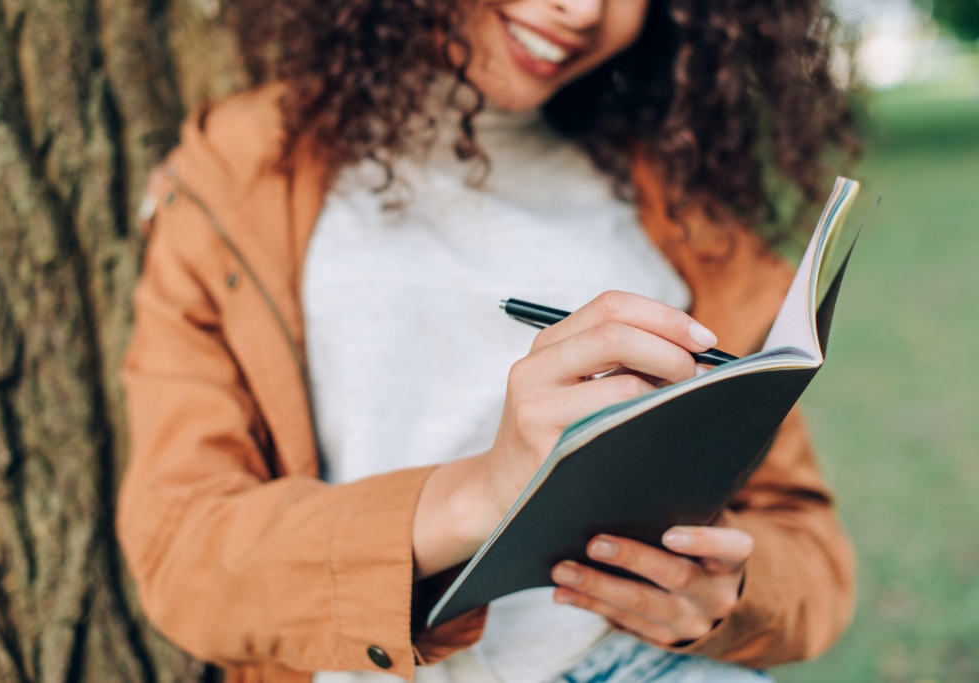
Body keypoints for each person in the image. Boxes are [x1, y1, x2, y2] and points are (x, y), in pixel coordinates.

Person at [116, 1, 859, 682]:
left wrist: (724, 594)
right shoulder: (236, 173)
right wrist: (479, 492)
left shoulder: (690, 220)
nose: (580, 10)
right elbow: (179, 549)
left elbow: (810, 550)